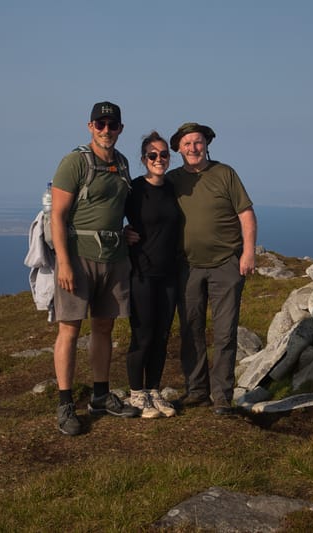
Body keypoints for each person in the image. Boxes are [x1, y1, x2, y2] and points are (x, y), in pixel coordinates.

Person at [50, 100, 138, 436]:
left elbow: (118, 207)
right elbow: (58, 215)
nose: (106, 130)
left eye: (112, 125)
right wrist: (64, 263)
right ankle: (65, 403)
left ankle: (100, 395)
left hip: (114, 258)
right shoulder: (75, 162)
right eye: (99, 125)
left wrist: (127, 231)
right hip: (78, 257)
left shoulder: (124, 164)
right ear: (90, 127)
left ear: (120, 129)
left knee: (103, 328)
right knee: (69, 330)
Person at [166, 122, 257, 416]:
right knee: (190, 328)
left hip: (226, 265)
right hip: (187, 266)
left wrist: (248, 253)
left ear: (207, 144)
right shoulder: (171, 180)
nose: (193, 148)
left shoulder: (225, 174)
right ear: (178, 148)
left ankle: (222, 396)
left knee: (225, 332)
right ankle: (196, 391)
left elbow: (246, 213)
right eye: (187, 143)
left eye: (198, 142)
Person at [124, 132, 180, 419]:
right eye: (152, 155)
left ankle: (154, 390)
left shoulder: (174, 187)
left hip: (170, 273)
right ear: (144, 159)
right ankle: (136, 393)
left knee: (161, 334)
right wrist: (122, 232)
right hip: (142, 273)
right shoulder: (134, 189)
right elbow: (113, 215)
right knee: (143, 335)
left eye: (163, 154)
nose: (159, 159)